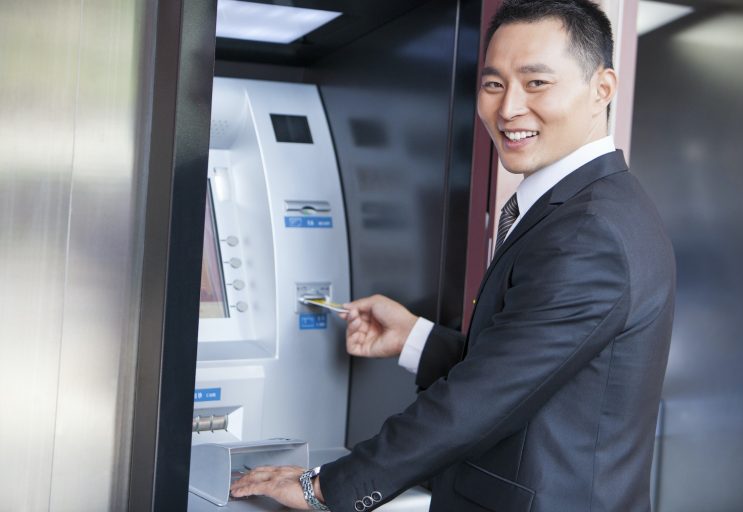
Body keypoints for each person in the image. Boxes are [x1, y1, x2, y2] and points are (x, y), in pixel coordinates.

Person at [229, 0, 675, 510]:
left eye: (536, 83)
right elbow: (527, 369)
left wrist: (327, 485)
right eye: (493, 84)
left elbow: (486, 398)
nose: (508, 109)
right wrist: (414, 338)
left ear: (602, 89)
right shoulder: (592, 206)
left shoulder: (588, 231)